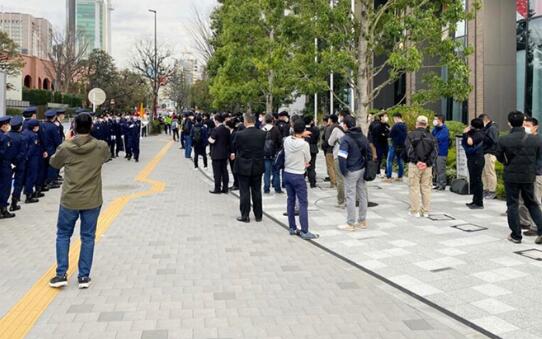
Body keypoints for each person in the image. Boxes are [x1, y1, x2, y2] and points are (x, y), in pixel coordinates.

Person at [48, 113, 111, 289]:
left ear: (73, 128)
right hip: (92, 198)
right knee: (88, 237)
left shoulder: (66, 147)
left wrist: (66, 141)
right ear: (91, 127)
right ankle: (84, 276)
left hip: (70, 198)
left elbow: (54, 163)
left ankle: (61, 274)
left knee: (63, 234)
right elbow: (106, 157)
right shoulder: (100, 146)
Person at [496, 111, 542, 244]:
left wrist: (506, 163)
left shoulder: (504, 139)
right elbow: (539, 157)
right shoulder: (536, 139)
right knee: (531, 203)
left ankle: (516, 235)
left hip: (511, 175)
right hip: (529, 175)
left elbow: (499, 156)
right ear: (523, 122)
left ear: (509, 123)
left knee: (512, 204)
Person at [283, 119, 319, 240]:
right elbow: (308, 159)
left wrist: (299, 134)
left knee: (290, 200)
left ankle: (292, 227)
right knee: (303, 203)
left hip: (287, 173)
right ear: (304, 130)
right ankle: (304, 230)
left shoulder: (287, 140)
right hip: (298, 175)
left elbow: (292, 137)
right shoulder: (304, 144)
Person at [337, 116, 371, 231]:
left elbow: (342, 158)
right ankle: (362, 221)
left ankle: (350, 223)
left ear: (346, 125)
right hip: (362, 169)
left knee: (350, 196)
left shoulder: (345, 139)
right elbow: (369, 152)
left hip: (351, 171)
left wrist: (344, 171)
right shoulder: (362, 136)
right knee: (362, 195)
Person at [232, 113, 266, 223]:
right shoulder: (262, 134)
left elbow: (235, 147)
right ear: (255, 121)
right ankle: (258, 215)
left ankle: (245, 215)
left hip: (243, 165)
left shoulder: (239, 134)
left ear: (245, 121)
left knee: (244, 191)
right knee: (257, 191)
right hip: (257, 165)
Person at [405, 116, 438, 217]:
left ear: (417, 123)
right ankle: (426, 211)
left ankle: (415, 211)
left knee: (414, 187)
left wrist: (417, 161)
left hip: (415, 165)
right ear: (427, 124)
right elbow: (435, 152)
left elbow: (409, 150)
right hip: (427, 167)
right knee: (426, 188)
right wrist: (427, 163)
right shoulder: (432, 137)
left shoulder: (411, 135)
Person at [519, 117, 542, 237]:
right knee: (525, 199)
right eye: (524, 125)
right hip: (527, 174)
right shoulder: (527, 138)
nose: (525, 127)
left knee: (536, 200)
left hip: (537, 174)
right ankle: (525, 222)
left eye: (528, 125)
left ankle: (535, 226)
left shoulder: (538, 139)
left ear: (535, 127)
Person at [462, 118, 485, 209]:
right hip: (472, 158)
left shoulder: (480, 134)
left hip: (477, 159)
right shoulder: (475, 133)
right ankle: (475, 200)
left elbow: (470, 142)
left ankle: (479, 203)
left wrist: (465, 133)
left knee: (477, 180)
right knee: (474, 180)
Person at [8, 116, 27, 212]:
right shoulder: (22, 138)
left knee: (6, 184)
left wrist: (11, 162)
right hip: (19, 163)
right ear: (20, 127)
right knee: (18, 183)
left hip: (7, 164)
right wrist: (16, 161)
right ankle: (14, 203)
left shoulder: (6, 136)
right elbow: (23, 152)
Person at [209, 114, 231, 194]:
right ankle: (225, 188)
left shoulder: (216, 130)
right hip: (225, 153)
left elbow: (211, 141)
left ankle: (217, 188)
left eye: (214, 120)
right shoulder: (227, 130)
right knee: (224, 171)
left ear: (217, 120)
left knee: (217, 172)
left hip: (216, 154)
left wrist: (209, 139)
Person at [262, 114, 283, 194]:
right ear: (272, 120)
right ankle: (277, 188)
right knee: (276, 172)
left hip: (265, 154)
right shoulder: (276, 129)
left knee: (266, 173)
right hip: (274, 154)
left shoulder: (262, 129)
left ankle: (266, 188)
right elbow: (280, 142)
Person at [328, 114, 346, 207]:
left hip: (339, 155)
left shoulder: (337, 129)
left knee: (340, 179)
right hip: (351, 156)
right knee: (349, 179)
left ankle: (341, 201)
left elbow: (330, 142)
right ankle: (350, 200)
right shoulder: (354, 127)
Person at [22, 119, 41, 204]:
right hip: (32, 158)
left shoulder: (24, 132)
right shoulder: (34, 135)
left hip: (25, 158)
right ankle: (29, 196)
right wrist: (28, 157)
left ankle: (28, 192)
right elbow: (32, 148)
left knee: (27, 176)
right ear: (34, 127)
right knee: (32, 176)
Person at [480, 114, 498, 199]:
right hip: (485, 152)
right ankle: (486, 189)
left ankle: (492, 191)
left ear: (486, 120)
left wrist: (483, 136)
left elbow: (494, 141)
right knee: (484, 172)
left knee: (490, 172)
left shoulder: (492, 128)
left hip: (490, 153)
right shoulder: (486, 128)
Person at [384, 113, 407, 183]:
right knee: (400, 160)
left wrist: (390, 130)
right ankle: (400, 176)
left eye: (394, 119)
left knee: (389, 160)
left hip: (394, 145)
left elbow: (390, 135)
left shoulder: (395, 126)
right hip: (402, 146)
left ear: (396, 118)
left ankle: (389, 176)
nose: (394, 120)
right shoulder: (404, 126)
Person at [0, 116, 15, 218]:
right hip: (4, 165)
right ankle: (3, 210)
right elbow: (6, 153)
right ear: (4, 125)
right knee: (5, 187)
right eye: (8, 124)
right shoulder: (5, 137)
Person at [431, 114, 450, 190]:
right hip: (435, 152)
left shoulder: (445, 130)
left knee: (441, 169)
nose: (434, 120)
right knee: (436, 169)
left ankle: (442, 184)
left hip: (441, 152)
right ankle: (438, 183)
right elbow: (431, 136)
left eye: (436, 119)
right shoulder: (436, 129)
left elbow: (437, 138)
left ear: (440, 120)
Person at [304, 116, 320, 188]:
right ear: (311, 121)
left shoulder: (302, 129)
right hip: (313, 148)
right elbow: (317, 139)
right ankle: (312, 183)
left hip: (304, 148)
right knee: (312, 167)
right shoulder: (315, 129)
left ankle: (301, 181)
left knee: (303, 166)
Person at [323, 115, 337, 188]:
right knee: (335, 166)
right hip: (338, 150)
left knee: (330, 166)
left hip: (329, 150)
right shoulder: (339, 127)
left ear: (331, 120)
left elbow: (327, 139)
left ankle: (333, 182)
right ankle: (337, 181)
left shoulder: (329, 128)